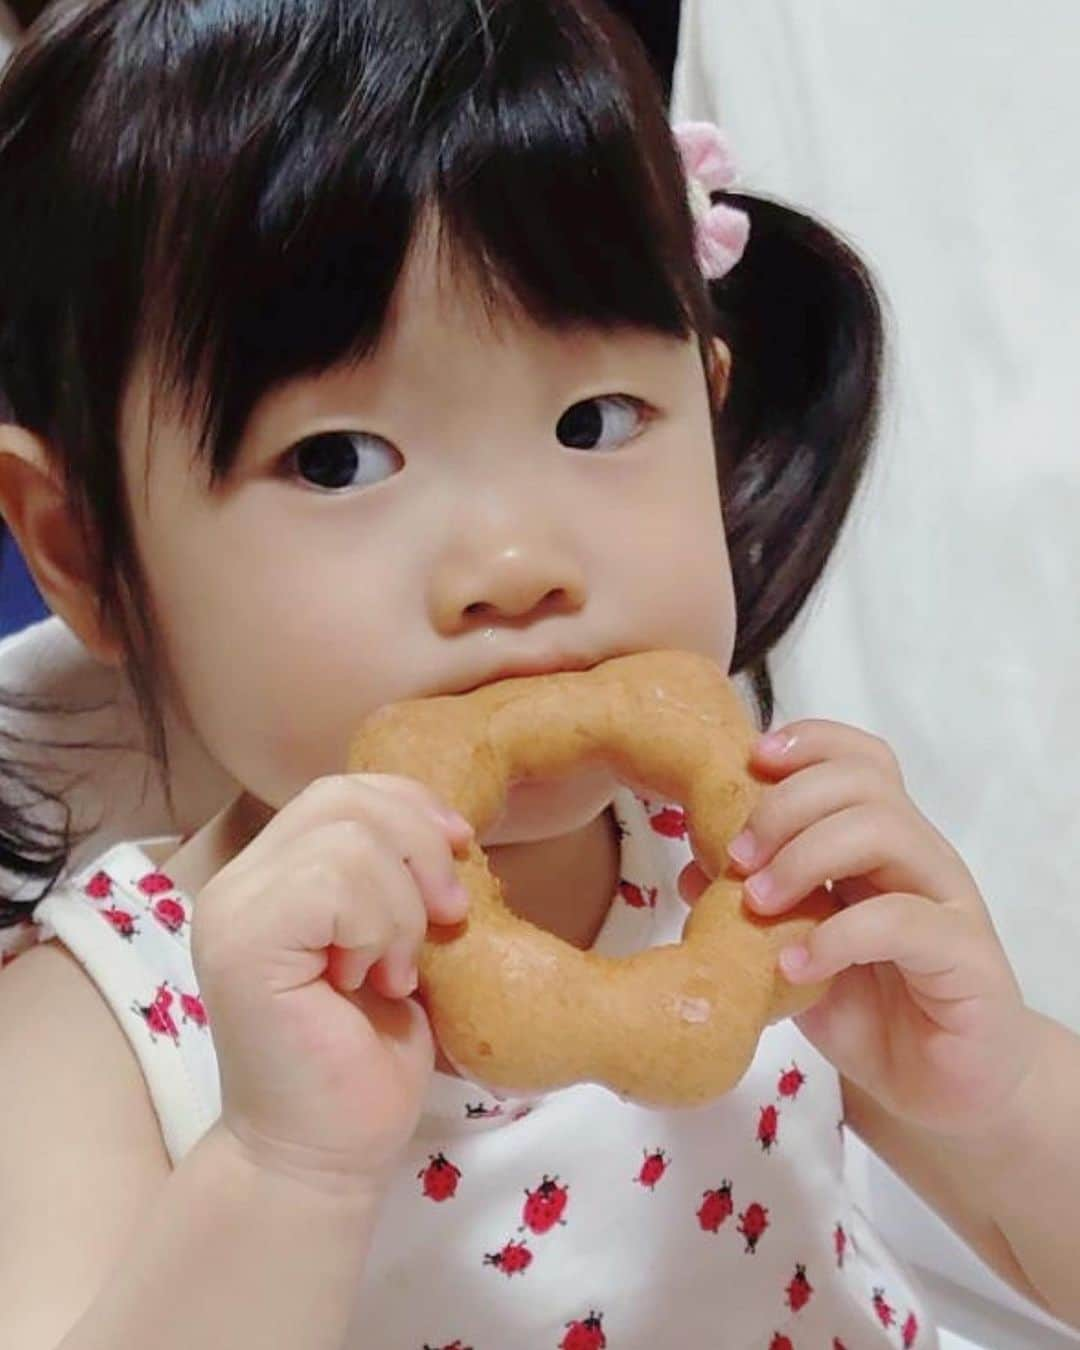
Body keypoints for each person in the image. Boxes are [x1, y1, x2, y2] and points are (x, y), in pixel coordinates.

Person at [0, 1, 1078, 1346]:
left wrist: (1005, 1089)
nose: (513, 562)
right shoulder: (105, 1020)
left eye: (595, 420)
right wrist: (286, 1169)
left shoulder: (755, 889)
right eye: (339, 457)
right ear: (83, 547)